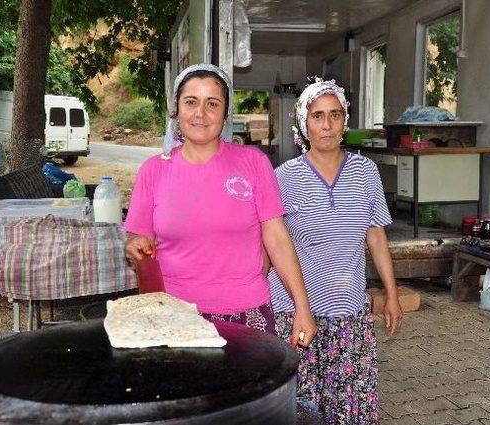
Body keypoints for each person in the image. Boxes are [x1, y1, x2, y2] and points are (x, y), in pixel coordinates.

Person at [124, 64, 316, 346]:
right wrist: (134, 246)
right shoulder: (153, 171)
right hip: (174, 317)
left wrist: (302, 306)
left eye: (212, 104)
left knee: (250, 391)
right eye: (191, 102)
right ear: (176, 109)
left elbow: (277, 238)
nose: (200, 113)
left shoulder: (253, 163)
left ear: (226, 113)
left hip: (247, 314)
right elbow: (139, 241)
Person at [268, 77, 403, 424]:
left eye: (335, 114)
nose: (326, 125)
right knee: (303, 407)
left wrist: (392, 294)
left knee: (350, 407)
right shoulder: (283, 178)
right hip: (295, 313)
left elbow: (375, 236)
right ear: (303, 122)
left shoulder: (366, 171)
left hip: (349, 314)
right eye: (317, 115)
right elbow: (271, 244)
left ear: (345, 121)